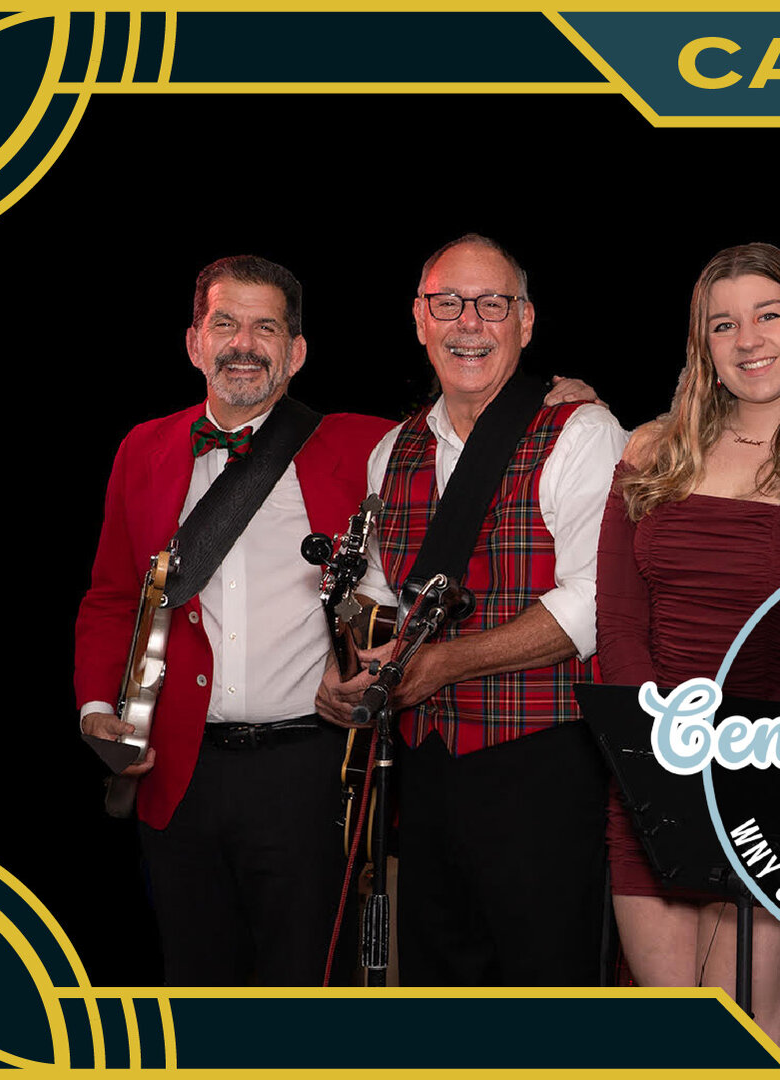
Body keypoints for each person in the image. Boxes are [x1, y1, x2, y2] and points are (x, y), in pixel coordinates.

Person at [75, 255, 396, 984]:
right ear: (195, 343)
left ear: (296, 352)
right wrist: (98, 709)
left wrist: (559, 398)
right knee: (197, 986)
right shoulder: (143, 448)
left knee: (311, 989)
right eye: (224, 324)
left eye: (265, 327)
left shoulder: (364, 444)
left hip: (310, 771)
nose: (243, 344)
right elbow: (112, 597)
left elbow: (472, 433)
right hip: (179, 771)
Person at [317, 234, 628, 986]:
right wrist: (342, 665)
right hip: (423, 768)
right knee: (440, 989)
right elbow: (384, 594)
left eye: (492, 304)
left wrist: (444, 663)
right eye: (448, 303)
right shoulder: (391, 451)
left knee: (548, 994)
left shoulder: (582, 432)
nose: (469, 323)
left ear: (526, 321)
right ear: (419, 319)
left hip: (545, 763)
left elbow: (595, 602)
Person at [595, 243, 780, 1037]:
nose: (747, 339)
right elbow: (617, 621)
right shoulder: (650, 452)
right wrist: (663, 756)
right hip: (657, 773)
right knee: (667, 1035)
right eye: (723, 325)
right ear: (704, 347)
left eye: (767, 315)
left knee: (742, 1034)